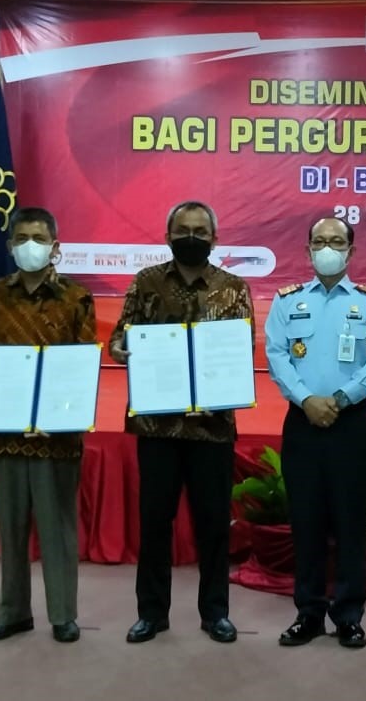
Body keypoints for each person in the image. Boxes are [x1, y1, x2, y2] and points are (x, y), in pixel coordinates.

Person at [109, 201, 254, 645]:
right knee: (155, 523)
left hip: (213, 427)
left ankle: (216, 613)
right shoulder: (146, 282)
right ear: (168, 236)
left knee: (214, 525)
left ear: (214, 238)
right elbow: (120, 335)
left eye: (200, 231)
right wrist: (120, 349)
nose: (191, 237)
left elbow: (241, 349)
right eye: (183, 230)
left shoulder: (233, 288)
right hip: (158, 426)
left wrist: (223, 382)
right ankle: (152, 613)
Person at [265, 216, 366, 649]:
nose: (327, 248)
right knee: (305, 522)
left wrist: (339, 399)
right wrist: (307, 399)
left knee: (350, 522)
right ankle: (308, 613)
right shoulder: (287, 301)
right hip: (302, 422)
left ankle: (348, 615)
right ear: (307, 250)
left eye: (336, 241)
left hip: (350, 423)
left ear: (351, 251)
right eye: (319, 241)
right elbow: (277, 356)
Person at [0, 207, 95, 644]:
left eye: (38, 238)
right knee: (12, 528)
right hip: (4, 433)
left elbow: (82, 365)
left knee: (57, 529)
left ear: (56, 247)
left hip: (57, 436)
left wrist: (60, 412)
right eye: (21, 239)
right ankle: (13, 613)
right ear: (10, 246)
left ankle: (63, 615)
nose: (30, 246)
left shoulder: (77, 298)